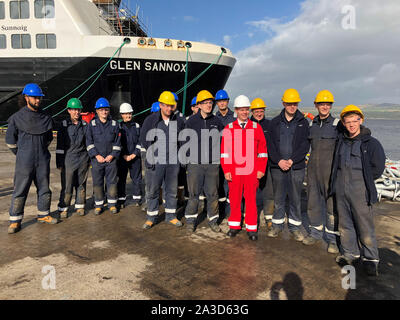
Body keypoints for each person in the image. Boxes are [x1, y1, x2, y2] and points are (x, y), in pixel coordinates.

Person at [330, 105, 385, 276]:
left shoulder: (371, 143)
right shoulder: (341, 141)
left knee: (364, 225)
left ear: (361, 121)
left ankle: (370, 260)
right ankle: (350, 254)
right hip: (341, 188)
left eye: (355, 121)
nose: (352, 125)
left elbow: (378, 167)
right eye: (348, 122)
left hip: (360, 189)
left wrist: (363, 181)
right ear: (344, 123)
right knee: (345, 223)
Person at [6, 83, 57, 234]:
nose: (38, 101)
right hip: (24, 161)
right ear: (26, 98)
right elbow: (10, 141)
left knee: (44, 188)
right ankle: (15, 220)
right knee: (20, 190)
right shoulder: (16, 118)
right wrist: (22, 154)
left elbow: (48, 139)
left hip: (42, 159)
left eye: (39, 98)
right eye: (35, 98)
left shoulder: (46, 117)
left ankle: (44, 214)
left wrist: (39, 151)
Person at [221, 95, 268, 241]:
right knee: (234, 199)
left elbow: (262, 151)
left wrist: (261, 169)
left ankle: (251, 228)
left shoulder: (256, 127)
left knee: (251, 200)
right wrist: (226, 170)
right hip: (234, 171)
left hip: (251, 171)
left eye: (247, 110)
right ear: (236, 110)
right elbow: (225, 152)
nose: (245, 112)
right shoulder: (229, 128)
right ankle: (234, 226)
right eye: (242, 110)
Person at [267, 89, 310, 241]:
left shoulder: (303, 123)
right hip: (277, 167)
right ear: (283, 103)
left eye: (295, 104)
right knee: (278, 197)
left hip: (296, 167)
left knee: (295, 198)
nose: (292, 106)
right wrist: (278, 160)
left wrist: (292, 160)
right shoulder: (274, 122)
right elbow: (270, 144)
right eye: (289, 103)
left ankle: (294, 227)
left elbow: (305, 145)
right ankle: (277, 225)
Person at [140, 91, 185, 229]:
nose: (169, 109)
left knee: (171, 189)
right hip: (156, 161)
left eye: (171, 106)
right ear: (160, 105)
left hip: (172, 162)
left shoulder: (178, 120)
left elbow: (183, 139)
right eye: (166, 106)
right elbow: (144, 138)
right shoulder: (151, 120)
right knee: (153, 190)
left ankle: (171, 216)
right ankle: (151, 217)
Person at [303, 90, 340, 253]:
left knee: (332, 207)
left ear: (331, 105)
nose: (325, 107)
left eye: (328, 104)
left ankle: (333, 239)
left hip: (330, 172)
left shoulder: (337, 124)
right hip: (312, 172)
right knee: (313, 203)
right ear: (316, 105)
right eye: (321, 104)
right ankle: (315, 233)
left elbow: (355, 134)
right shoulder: (312, 124)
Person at [184, 90, 224, 232]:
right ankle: (190, 220)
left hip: (212, 164)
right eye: (205, 103)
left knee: (212, 194)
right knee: (193, 194)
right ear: (199, 105)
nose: (209, 105)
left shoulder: (217, 122)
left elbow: (222, 142)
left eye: (210, 103)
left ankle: (213, 220)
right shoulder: (191, 121)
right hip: (195, 164)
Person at [86, 98, 121, 215]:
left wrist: (112, 155)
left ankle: (112, 204)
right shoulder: (92, 125)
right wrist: (96, 155)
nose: (104, 112)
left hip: (111, 160)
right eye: (101, 110)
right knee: (97, 182)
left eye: (106, 110)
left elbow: (118, 143)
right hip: (97, 160)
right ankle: (98, 204)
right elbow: (89, 142)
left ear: (109, 110)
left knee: (112, 182)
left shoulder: (115, 124)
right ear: (97, 111)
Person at [56, 98, 90, 218]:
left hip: (83, 158)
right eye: (74, 110)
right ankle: (64, 207)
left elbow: (88, 143)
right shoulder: (63, 125)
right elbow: (59, 146)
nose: (76, 112)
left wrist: (89, 160)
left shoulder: (85, 125)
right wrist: (59, 162)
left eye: (78, 110)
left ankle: (80, 205)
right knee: (67, 184)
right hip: (68, 158)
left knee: (81, 183)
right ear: (69, 110)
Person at [250, 98, 274, 231]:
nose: (259, 113)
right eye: (256, 111)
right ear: (251, 112)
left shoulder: (270, 125)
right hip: (251, 165)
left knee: (268, 192)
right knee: (250, 193)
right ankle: (249, 216)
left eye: (261, 111)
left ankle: (269, 217)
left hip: (267, 164)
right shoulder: (247, 125)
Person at [214, 89, 236, 219]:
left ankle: (231, 211)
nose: (222, 103)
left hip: (231, 156)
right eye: (220, 101)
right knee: (219, 184)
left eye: (224, 101)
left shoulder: (234, 117)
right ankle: (221, 211)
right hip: (217, 156)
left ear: (228, 101)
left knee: (230, 184)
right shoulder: (214, 118)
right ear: (217, 103)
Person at [117, 103, 142, 209]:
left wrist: (134, 154)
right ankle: (121, 199)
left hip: (134, 158)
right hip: (122, 158)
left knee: (136, 178)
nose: (128, 115)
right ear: (121, 115)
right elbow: (116, 142)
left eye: (129, 113)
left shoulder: (137, 126)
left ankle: (137, 199)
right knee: (121, 179)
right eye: (125, 114)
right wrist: (123, 155)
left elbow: (141, 141)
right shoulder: (118, 127)